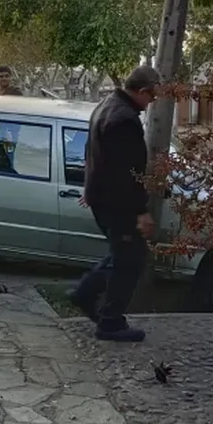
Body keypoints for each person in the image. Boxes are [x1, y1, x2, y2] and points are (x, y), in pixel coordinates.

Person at [70, 65, 162, 343]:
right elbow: (126, 172)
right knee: (129, 261)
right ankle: (110, 321)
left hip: (103, 199)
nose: (151, 102)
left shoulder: (105, 106)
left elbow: (93, 154)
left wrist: (91, 188)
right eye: (152, 96)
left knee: (122, 255)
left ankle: (85, 294)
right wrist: (141, 211)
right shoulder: (124, 119)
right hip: (117, 203)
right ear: (142, 91)